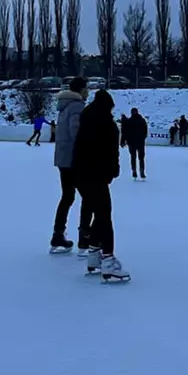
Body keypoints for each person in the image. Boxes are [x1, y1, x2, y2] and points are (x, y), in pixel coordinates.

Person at [71, 89, 127, 281]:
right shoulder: (107, 126)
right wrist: (113, 170)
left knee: (99, 212)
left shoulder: (86, 120)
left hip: (80, 175)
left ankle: (94, 253)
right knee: (104, 215)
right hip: (96, 175)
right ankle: (108, 259)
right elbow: (111, 153)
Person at [50, 77, 89, 253]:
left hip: (63, 159)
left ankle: (58, 234)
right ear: (81, 90)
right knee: (89, 197)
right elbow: (77, 132)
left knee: (67, 196)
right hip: (75, 160)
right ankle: (85, 236)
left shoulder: (64, 106)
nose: (88, 92)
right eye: (87, 88)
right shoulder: (77, 107)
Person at [124, 107, 148, 179]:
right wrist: (143, 138)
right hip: (140, 142)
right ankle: (142, 171)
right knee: (141, 158)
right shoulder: (142, 120)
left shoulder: (129, 121)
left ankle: (134, 171)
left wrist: (127, 140)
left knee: (133, 157)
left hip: (131, 143)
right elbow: (145, 131)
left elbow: (126, 132)